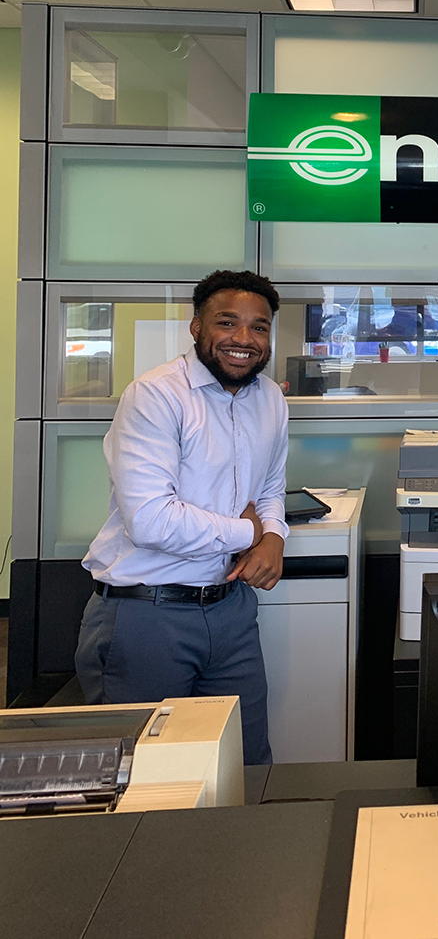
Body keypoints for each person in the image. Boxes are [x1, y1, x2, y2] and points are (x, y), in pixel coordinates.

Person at [75, 269, 289, 764]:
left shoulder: (270, 400)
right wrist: (248, 531)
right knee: (143, 779)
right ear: (196, 327)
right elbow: (150, 521)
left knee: (246, 763)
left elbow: (271, 487)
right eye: (227, 323)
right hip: (146, 613)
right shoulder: (156, 396)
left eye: (259, 327)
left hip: (230, 610)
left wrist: (274, 536)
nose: (244, 339)